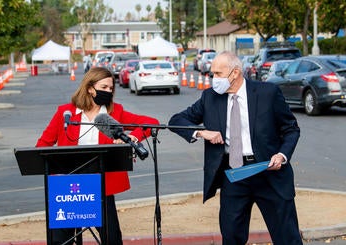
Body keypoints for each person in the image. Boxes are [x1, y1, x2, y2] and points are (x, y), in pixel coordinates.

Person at [168, 51, 302, 245]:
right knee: (231, 237)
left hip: (269, 173)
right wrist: (201, 133)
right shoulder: (210, 98)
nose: (213, 79)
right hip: (234, 176)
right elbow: (176, 121)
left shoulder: (267, 93)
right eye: (212, 73)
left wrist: (282, 155)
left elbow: (291, 129)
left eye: (218, 74)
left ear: (235, 73)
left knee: (287, 237)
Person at [36, 67, 159, 245]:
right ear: (89, 88)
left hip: (102, 186)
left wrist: (134, 136)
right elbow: (42, 145)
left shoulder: (115, 113)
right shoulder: (66, 113)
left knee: (112, 239)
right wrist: (55, 171)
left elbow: (151, 123)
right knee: (59, 241)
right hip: (67, 187)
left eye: (111, 88)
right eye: (104, 87)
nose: (108, 91)